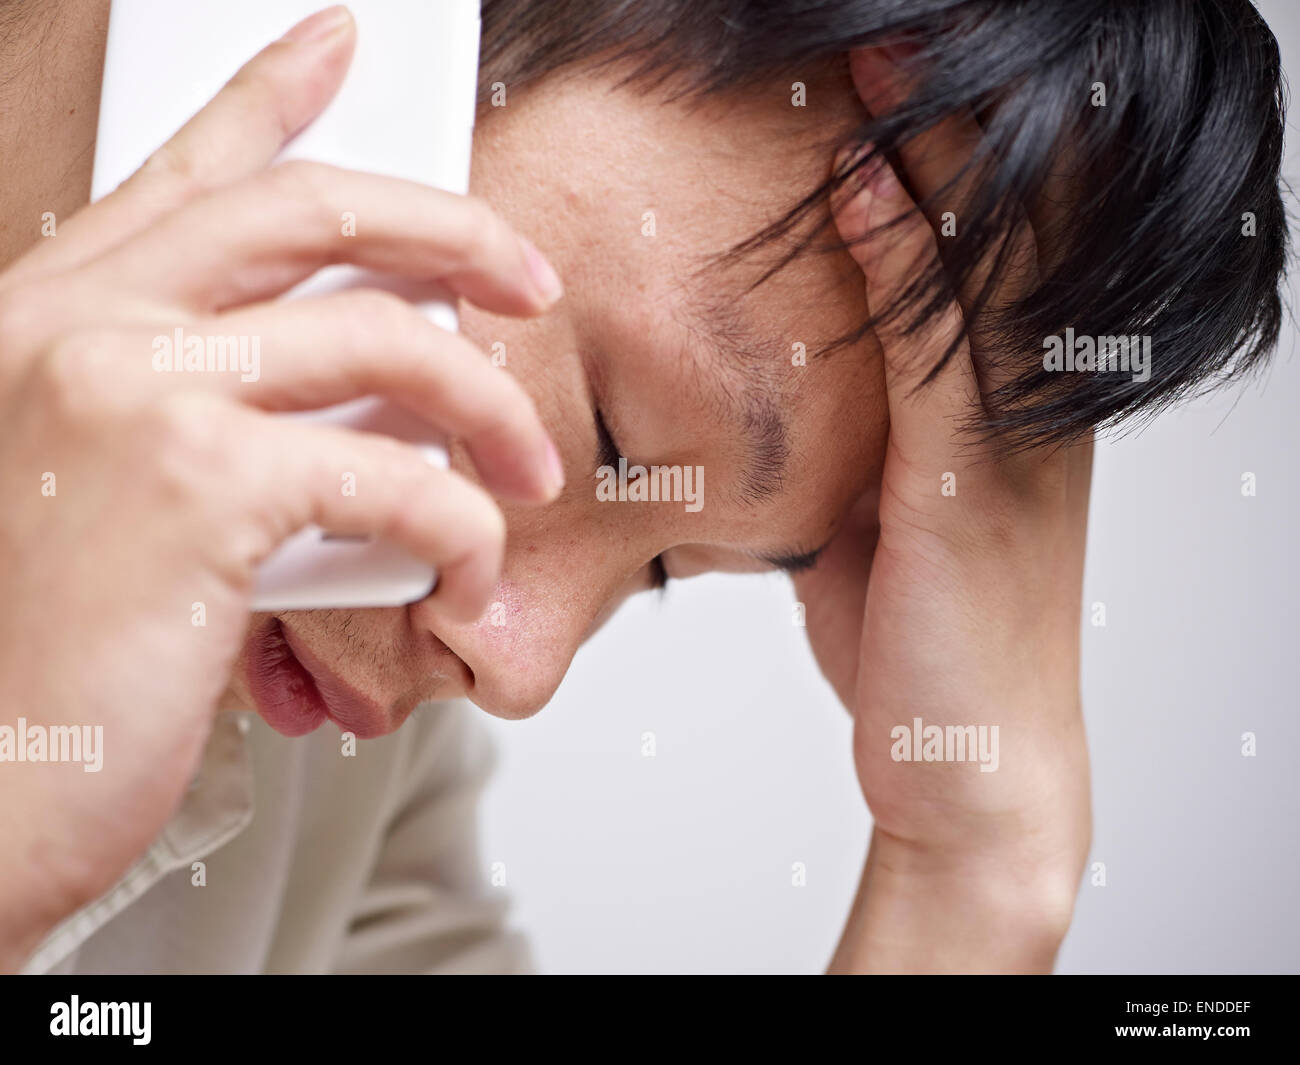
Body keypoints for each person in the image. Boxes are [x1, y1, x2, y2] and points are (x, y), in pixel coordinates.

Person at [0, 0, 1286, 973]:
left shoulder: (330, 764)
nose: (518, 669)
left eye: (664, 571)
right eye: (613, 438)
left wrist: (969, 877)